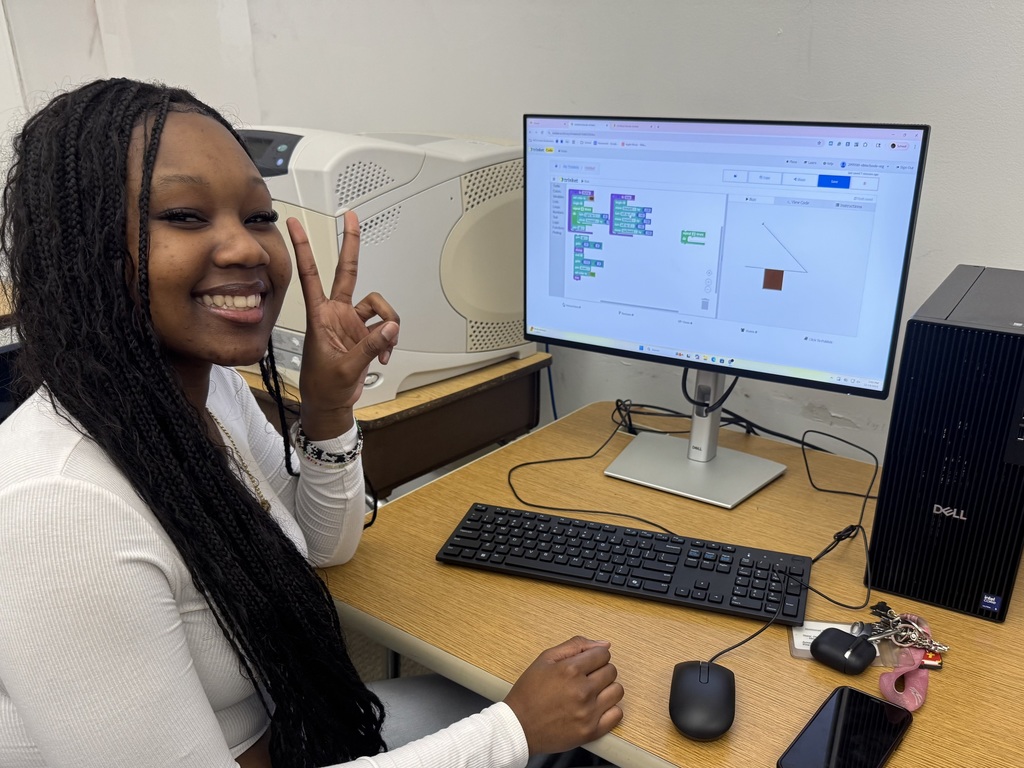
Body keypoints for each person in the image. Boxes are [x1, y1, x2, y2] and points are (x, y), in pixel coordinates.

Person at [0, 78, 624, 768]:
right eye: (183, 215)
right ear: (78, 246)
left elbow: (323, 548)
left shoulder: (208, 399)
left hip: (296, 732)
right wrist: (514, 731)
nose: (245, 248)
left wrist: (327, 412)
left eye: (259, 216)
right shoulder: (55, 509)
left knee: (570, 731)